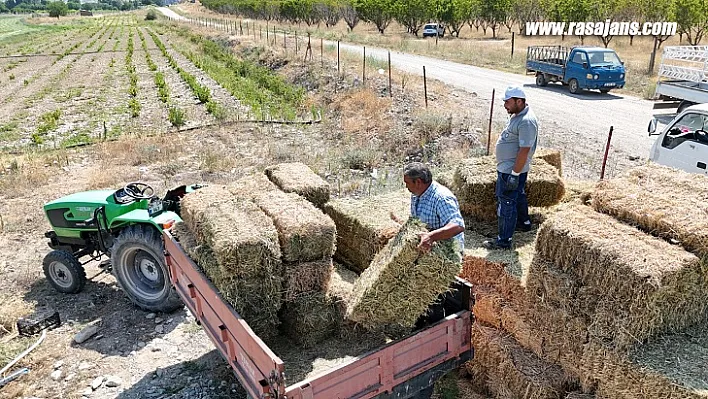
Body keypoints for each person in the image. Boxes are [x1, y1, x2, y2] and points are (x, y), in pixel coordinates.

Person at [483, 86, 538, 250]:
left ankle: (503, 241)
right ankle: (524, 223)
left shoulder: (526, 122)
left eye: (507, 101)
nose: (505, 105)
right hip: (510, 169)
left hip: (511, 170)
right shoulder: (518, 115)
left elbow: (524, 150)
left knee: (506, 202)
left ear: (519, 101)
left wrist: (514, 174)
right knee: (517, 196)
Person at [394, 162, 465, 255]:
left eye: (407, 183)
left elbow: (458, 226)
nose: (406, 186)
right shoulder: (416, 193)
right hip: (427, 250)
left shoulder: (442, 198)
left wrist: (431, 237)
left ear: (418, 182)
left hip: (446, 254)